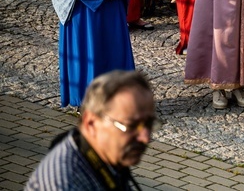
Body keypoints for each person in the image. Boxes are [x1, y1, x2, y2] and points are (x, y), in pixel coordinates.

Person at [25, 70, 157, 191]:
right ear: (91, 123)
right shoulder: (65, 184)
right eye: (131, 126)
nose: (145, 137)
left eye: (149, 124)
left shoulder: (101, 155)